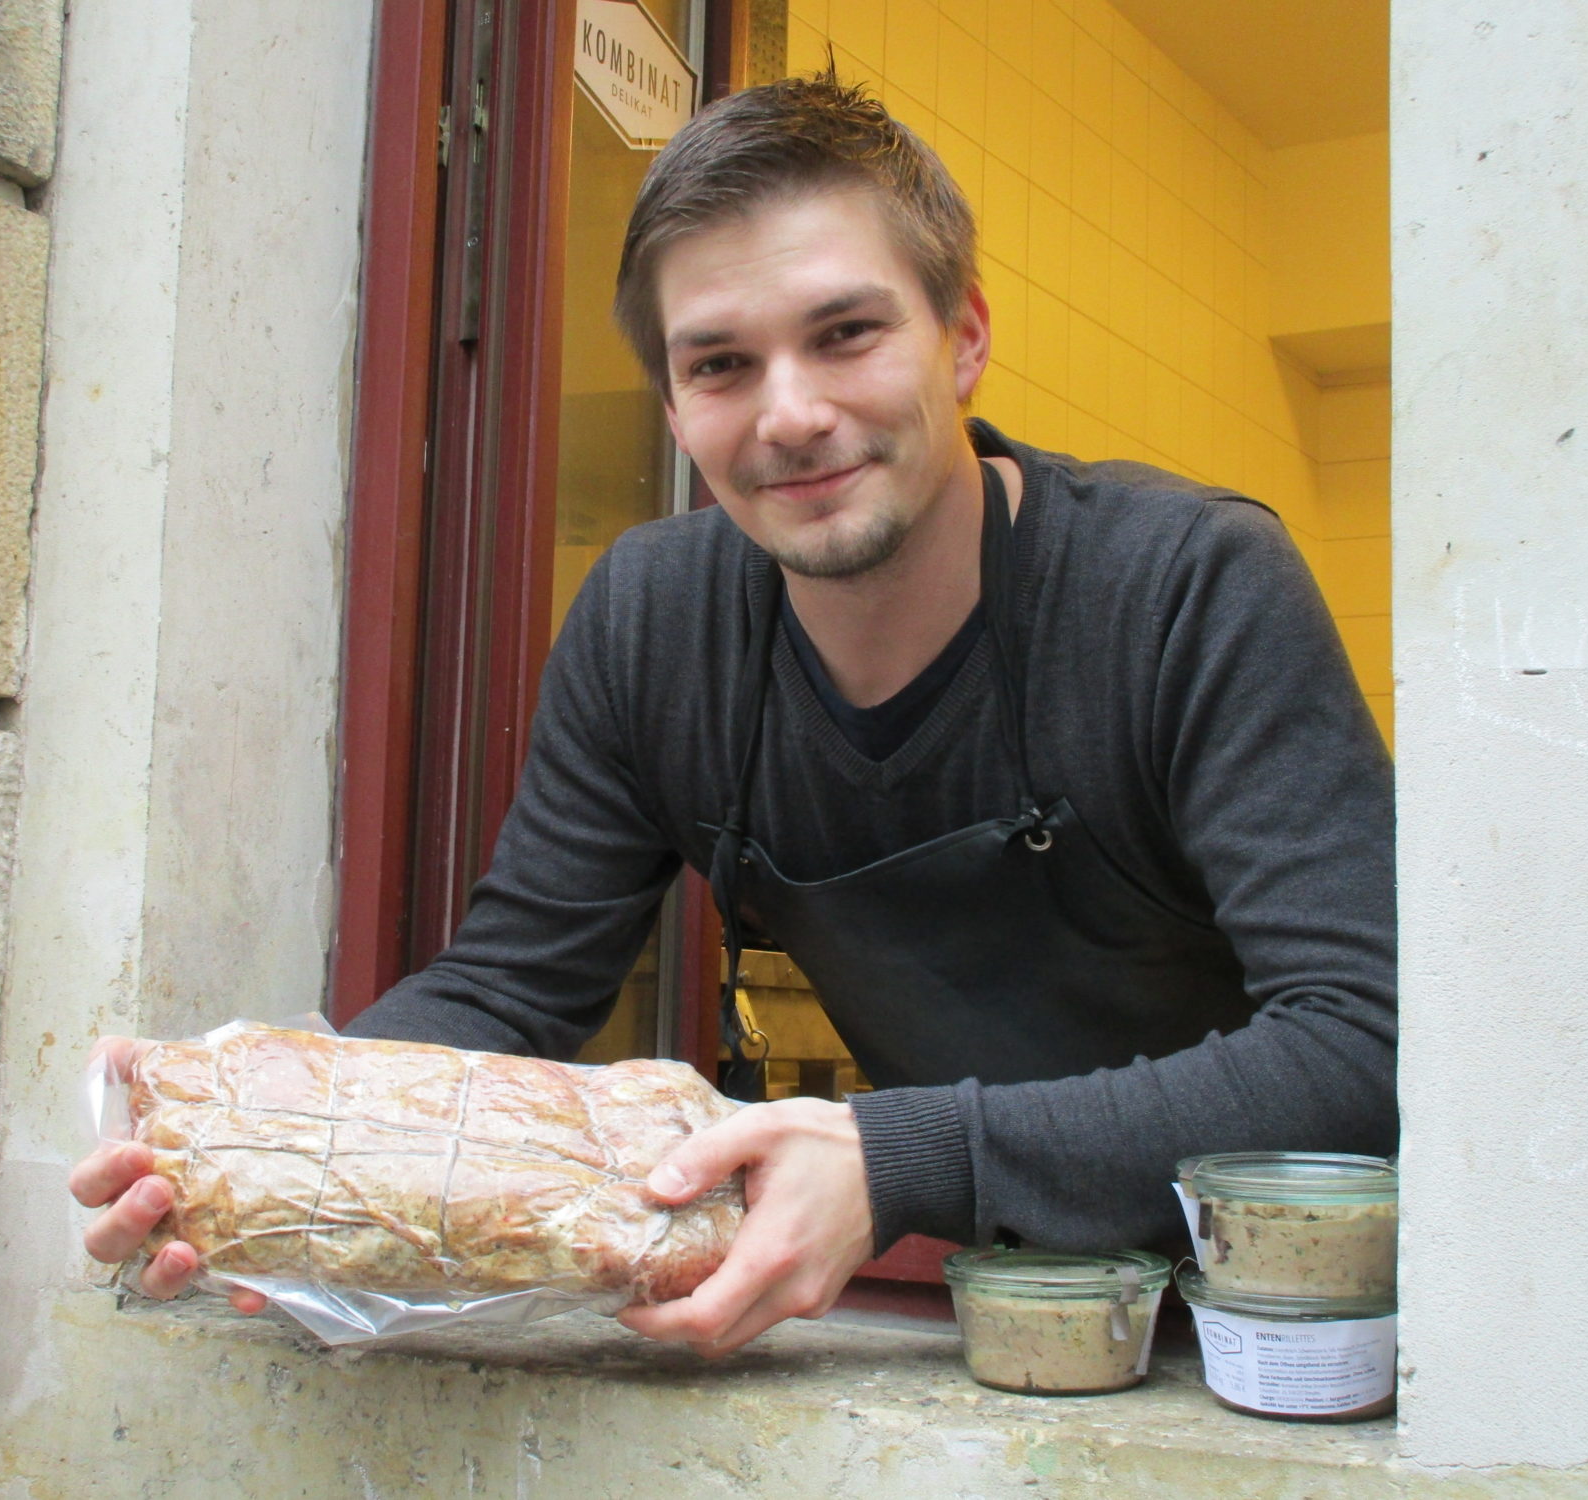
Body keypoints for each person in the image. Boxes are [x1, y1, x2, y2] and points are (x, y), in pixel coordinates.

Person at [71, 74, 1395, 1357]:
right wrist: (276, 1138)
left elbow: (1366, 1042)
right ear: (674, 407)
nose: (794, 414)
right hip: (985, 1305)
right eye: (721, 363)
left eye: (848, 333)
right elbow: (512, 988)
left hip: (1285, 1323)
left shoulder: (1186, 587)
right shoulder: (654, 624)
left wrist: (898, 1156)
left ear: (967, 336)